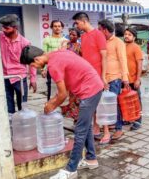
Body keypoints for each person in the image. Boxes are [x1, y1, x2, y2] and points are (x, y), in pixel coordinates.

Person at [20, 46, 103, 179]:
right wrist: (53, 101)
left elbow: (63, 94)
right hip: (93, 86)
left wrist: (51, 106)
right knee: (86, 126)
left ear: (36, 59)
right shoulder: (57, 53)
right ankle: (91, 159)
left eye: (33, 65)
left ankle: (71, 169)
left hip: (90, 90)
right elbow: (65, 86)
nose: (35, 67)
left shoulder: (53, 65)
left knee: (80, 130)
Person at [72, 12, 107, 138]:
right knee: (88, 102)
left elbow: (104, 57)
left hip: (97, 75)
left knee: (97, 103)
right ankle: (93, 126)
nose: (77, 25)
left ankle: (98, 128)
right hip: (86, 75)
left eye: (77, 23)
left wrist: (103, 77)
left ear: (84, 21)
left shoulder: (98, 34)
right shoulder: (84, 36)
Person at [0, 14, 37, 114]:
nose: (3, 30)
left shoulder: (25, 43)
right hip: (5, 77)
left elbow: (31, 62)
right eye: (2, 27)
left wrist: (33, 79)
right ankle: (10, 125)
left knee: (22, 106)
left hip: (19, 78)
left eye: (7, 28)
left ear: (15, 27)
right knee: (8, 105)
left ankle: (21, 124)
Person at [98, 19, 129, 144]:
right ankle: (110, 125)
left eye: (100, 29)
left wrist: (125, 78)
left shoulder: (118, 42)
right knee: (105, 105)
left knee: (115, 104)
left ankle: (119, 128)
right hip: (103, 78)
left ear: (105, 30)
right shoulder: (101, 42)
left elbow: (123, 60)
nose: (98, 31)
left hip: (115, 78)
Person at [42, 20, 68, 101]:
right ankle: (50, 106)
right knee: (50, 87)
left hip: (62, 68)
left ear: (62, 28)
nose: (57, 28)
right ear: (52, 28)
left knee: (62, 87)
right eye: (55, 26)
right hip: (51, 67)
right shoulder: (47, 40)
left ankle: (62, 106)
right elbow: (44, 55)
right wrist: (44, 69)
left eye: (59, 26)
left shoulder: (65, 40)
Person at [60, 28, 82, 123]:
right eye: (70, 34)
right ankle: (74, 116)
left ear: (78, 36)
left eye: (74, 35)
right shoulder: (66, 45)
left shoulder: (80, 46)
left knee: (77, 96)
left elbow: (83, 58)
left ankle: (78, 117)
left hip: (77, 73)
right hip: (68, 73)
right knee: (71, 96)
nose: (71, 36)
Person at [124, 27, 143, 131]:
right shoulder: (122, 46)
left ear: (134, 37)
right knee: (126, 101)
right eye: (125, 34)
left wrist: (138, 79)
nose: (126, 36)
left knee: (136, 102)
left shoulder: (136, 47)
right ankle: (128, 118)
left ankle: (138, 121)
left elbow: (139, 64)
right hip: (125, 80)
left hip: (133, 79)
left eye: (129, 34)